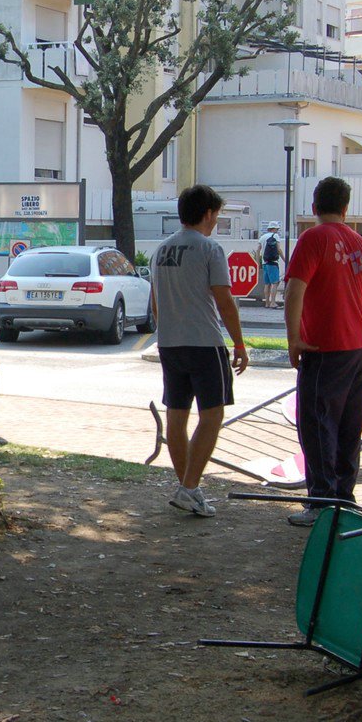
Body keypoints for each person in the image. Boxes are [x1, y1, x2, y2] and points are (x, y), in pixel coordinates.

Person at [148, 185, 249, 518]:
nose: (216, 221)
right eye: (216, 215)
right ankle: (189, 487)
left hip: (170, 343)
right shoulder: (209, 249)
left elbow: (156, 302)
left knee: (176, 417)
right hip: (205, 343)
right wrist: (238, 342)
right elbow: (225, 301)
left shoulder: (160, 250)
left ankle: (187, 488)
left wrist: (167, 332)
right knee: (212, 415)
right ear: (208, 213)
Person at [284, 176, 362, 527]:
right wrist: (353, 326)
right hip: (359, 347)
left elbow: (295, 290)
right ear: (346, 207)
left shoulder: (313, 238)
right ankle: (344, 497)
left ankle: (321, 500)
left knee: (317, 423)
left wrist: (294, 339)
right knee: (350, 425)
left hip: (325, 347)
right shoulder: (361, 245)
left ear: (314, 206)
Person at [259, 221, 284, 308]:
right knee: (275, 283)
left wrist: (258, 261)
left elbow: (258, 249)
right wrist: (285, 259)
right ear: (274, 229)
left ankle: (267, 303)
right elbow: (278, 249)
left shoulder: (262, 237)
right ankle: (273, 302)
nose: (277, 231)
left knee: (267, 284)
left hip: (264, 262)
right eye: (277, 229)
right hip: (273, 262)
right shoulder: (275, 236)